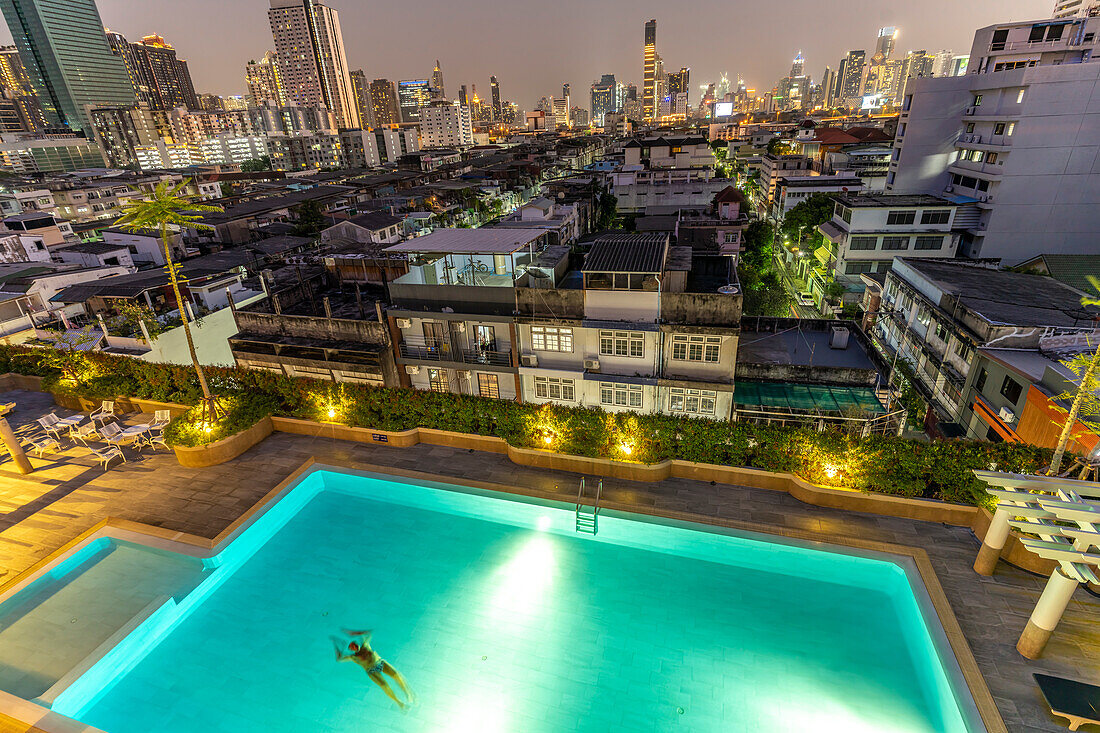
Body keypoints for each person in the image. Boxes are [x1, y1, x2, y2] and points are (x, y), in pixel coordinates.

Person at [332, 629, 414, 708]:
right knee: (385, 686)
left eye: (354, 644)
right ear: (351, 649)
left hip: (379, 662)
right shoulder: (354, 657)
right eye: (352, 646)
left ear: (357, 644)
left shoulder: (365, 645)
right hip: (371, 671)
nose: (354, 646)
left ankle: (407, 693)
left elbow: (368, 634)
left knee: (396, 675)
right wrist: (337, 647)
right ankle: (399, 703)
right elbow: (339, 659)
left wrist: (355, 633)